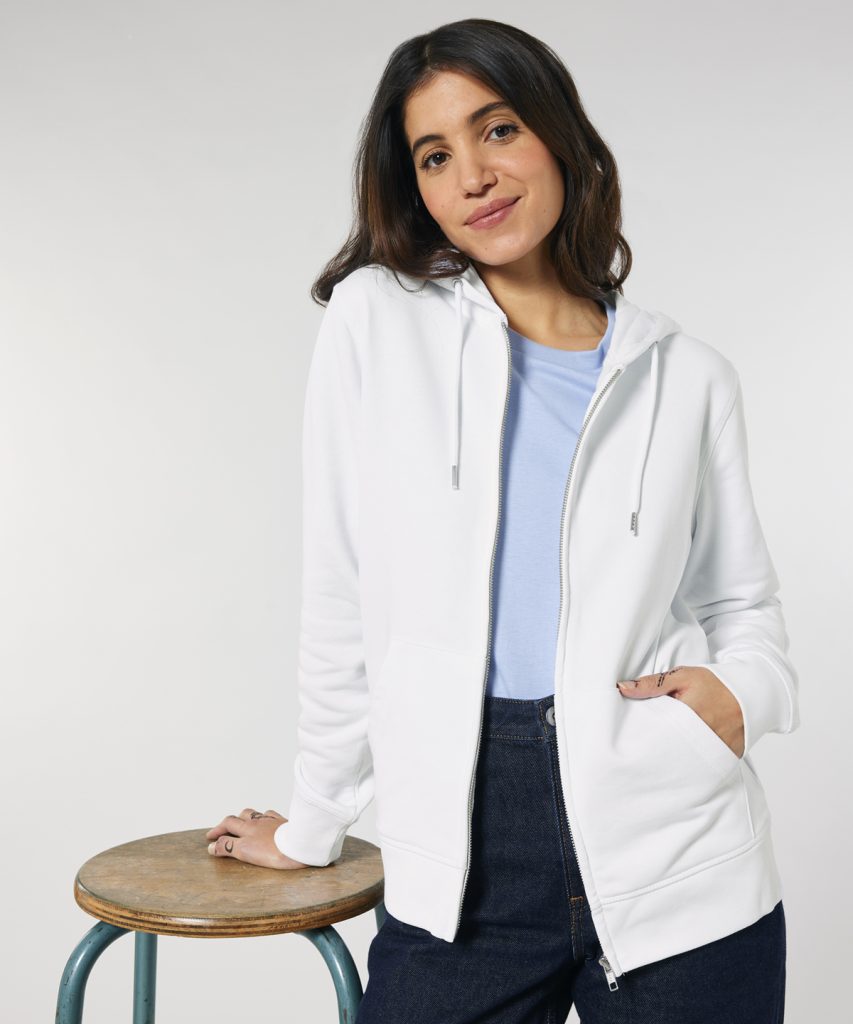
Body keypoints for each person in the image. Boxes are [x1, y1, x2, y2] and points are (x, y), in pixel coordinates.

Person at [206, 17, 798, 1023]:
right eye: (434, 156)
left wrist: (744, 695)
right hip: (461, 858)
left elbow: (742, 602)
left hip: (681, 863)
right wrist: (314, 822)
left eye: (498, 130)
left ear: (559, 137)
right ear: (415, 189)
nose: (473, 175)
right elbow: (341, 584)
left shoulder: (688, 377)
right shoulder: (377, 319)